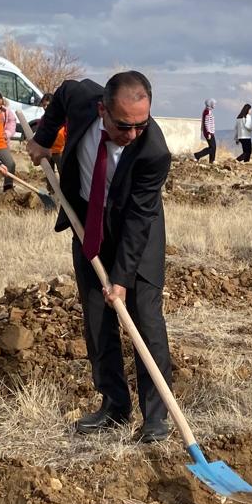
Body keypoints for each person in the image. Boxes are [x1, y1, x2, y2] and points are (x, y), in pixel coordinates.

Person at [26, 72, 173, 443]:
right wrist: (43, 141)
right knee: (96, 316)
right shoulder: (80, 97)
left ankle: (156, 417)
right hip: (88, 221)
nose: (135, 133)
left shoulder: (153, 151)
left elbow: (140, 219)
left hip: (134, 231)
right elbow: (60, 98)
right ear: (102, 109)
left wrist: (121, 279)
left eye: (143, 123)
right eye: (125, 125)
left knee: (144, 318)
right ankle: (114, 405)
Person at [194, 99, 218, 164]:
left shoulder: (207, 111)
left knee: (213, 147)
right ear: (210, 104)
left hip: (210, 132)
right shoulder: (207, 112)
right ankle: (197, 155)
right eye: (214, 104)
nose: (215, 105)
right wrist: (208, 133)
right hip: (208, 132)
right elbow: (206, 123)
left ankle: (212, 161)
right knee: (212, 147)